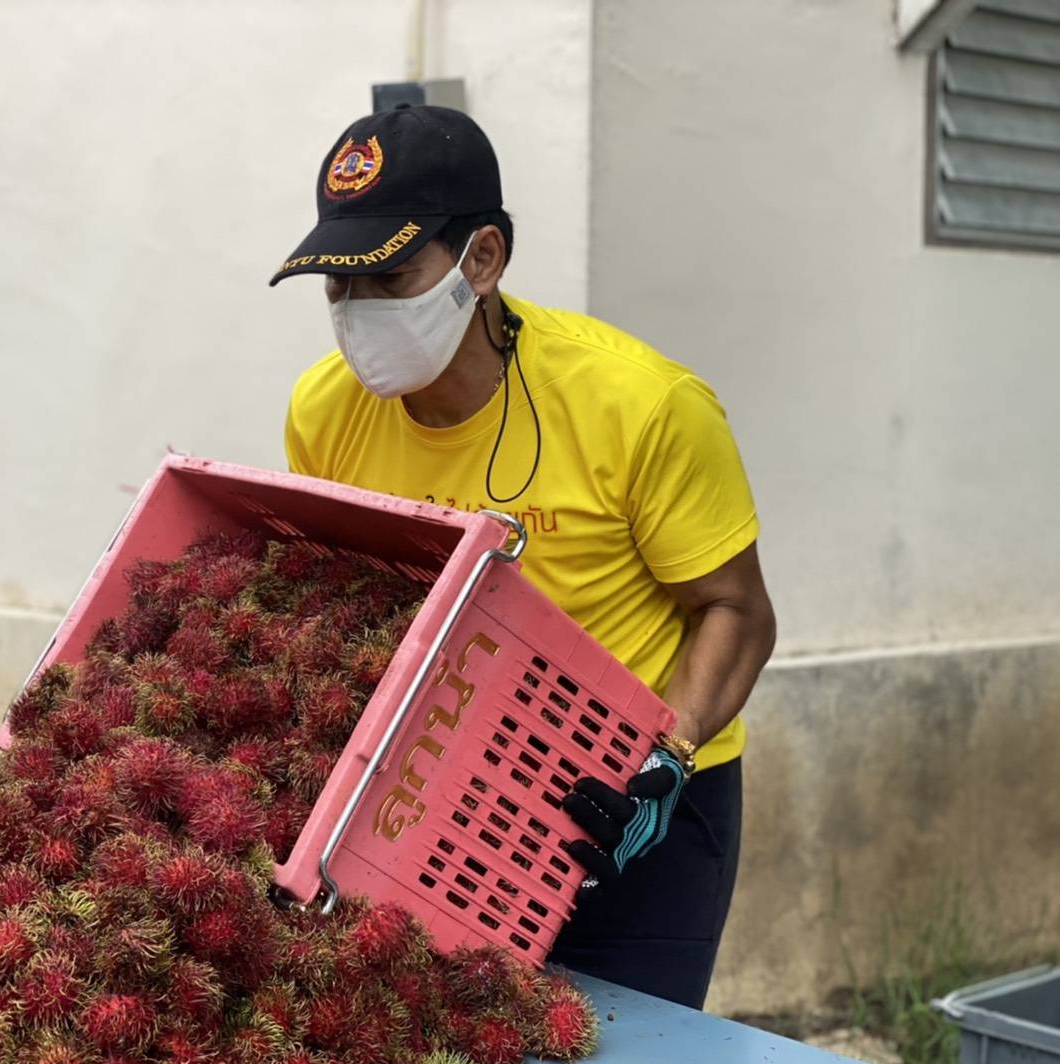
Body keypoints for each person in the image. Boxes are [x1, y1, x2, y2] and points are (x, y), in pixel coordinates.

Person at [271, 106, 777, 1009]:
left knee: (628, 1053)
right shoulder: (324, 412)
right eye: (339, 285)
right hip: (443, 784)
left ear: (483, 260)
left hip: (632, 802)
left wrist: (667, 760)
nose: (358, 310)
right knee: (447, 1049)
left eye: (389, 276)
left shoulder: (642, 406)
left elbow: (735, 611)